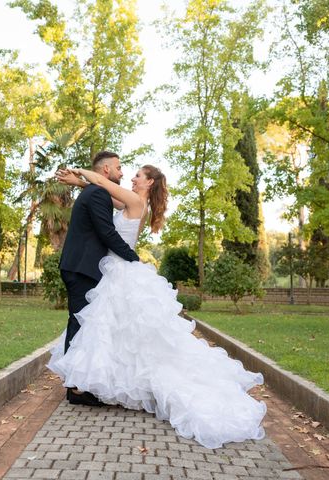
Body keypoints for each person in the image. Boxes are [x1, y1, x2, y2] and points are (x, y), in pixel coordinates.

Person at [48, 163, 267, 449]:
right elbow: (104, 190)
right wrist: (80, 184)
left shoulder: (136, 200)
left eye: (138, 175)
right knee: (115, 330)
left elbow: (101, 184)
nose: (131, 176)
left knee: (109, 327)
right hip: (115, 267)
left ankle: (93, 382)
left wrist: (80, 172)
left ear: (149, 183)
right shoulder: (131, 198)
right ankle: (96, 382)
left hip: (120, 266)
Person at [58, 151, 140, 407]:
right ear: (105, 170)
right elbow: (107, 232)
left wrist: (80, 180)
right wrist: (133, 258)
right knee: (80, 325)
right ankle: (76, 389)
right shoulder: (98, 194)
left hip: (81, 266)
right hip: (81, 268)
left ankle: (78, 384)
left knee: (82, 324)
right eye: (118, 167)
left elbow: (113, 209)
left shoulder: (97, 192)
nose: (122, 172)